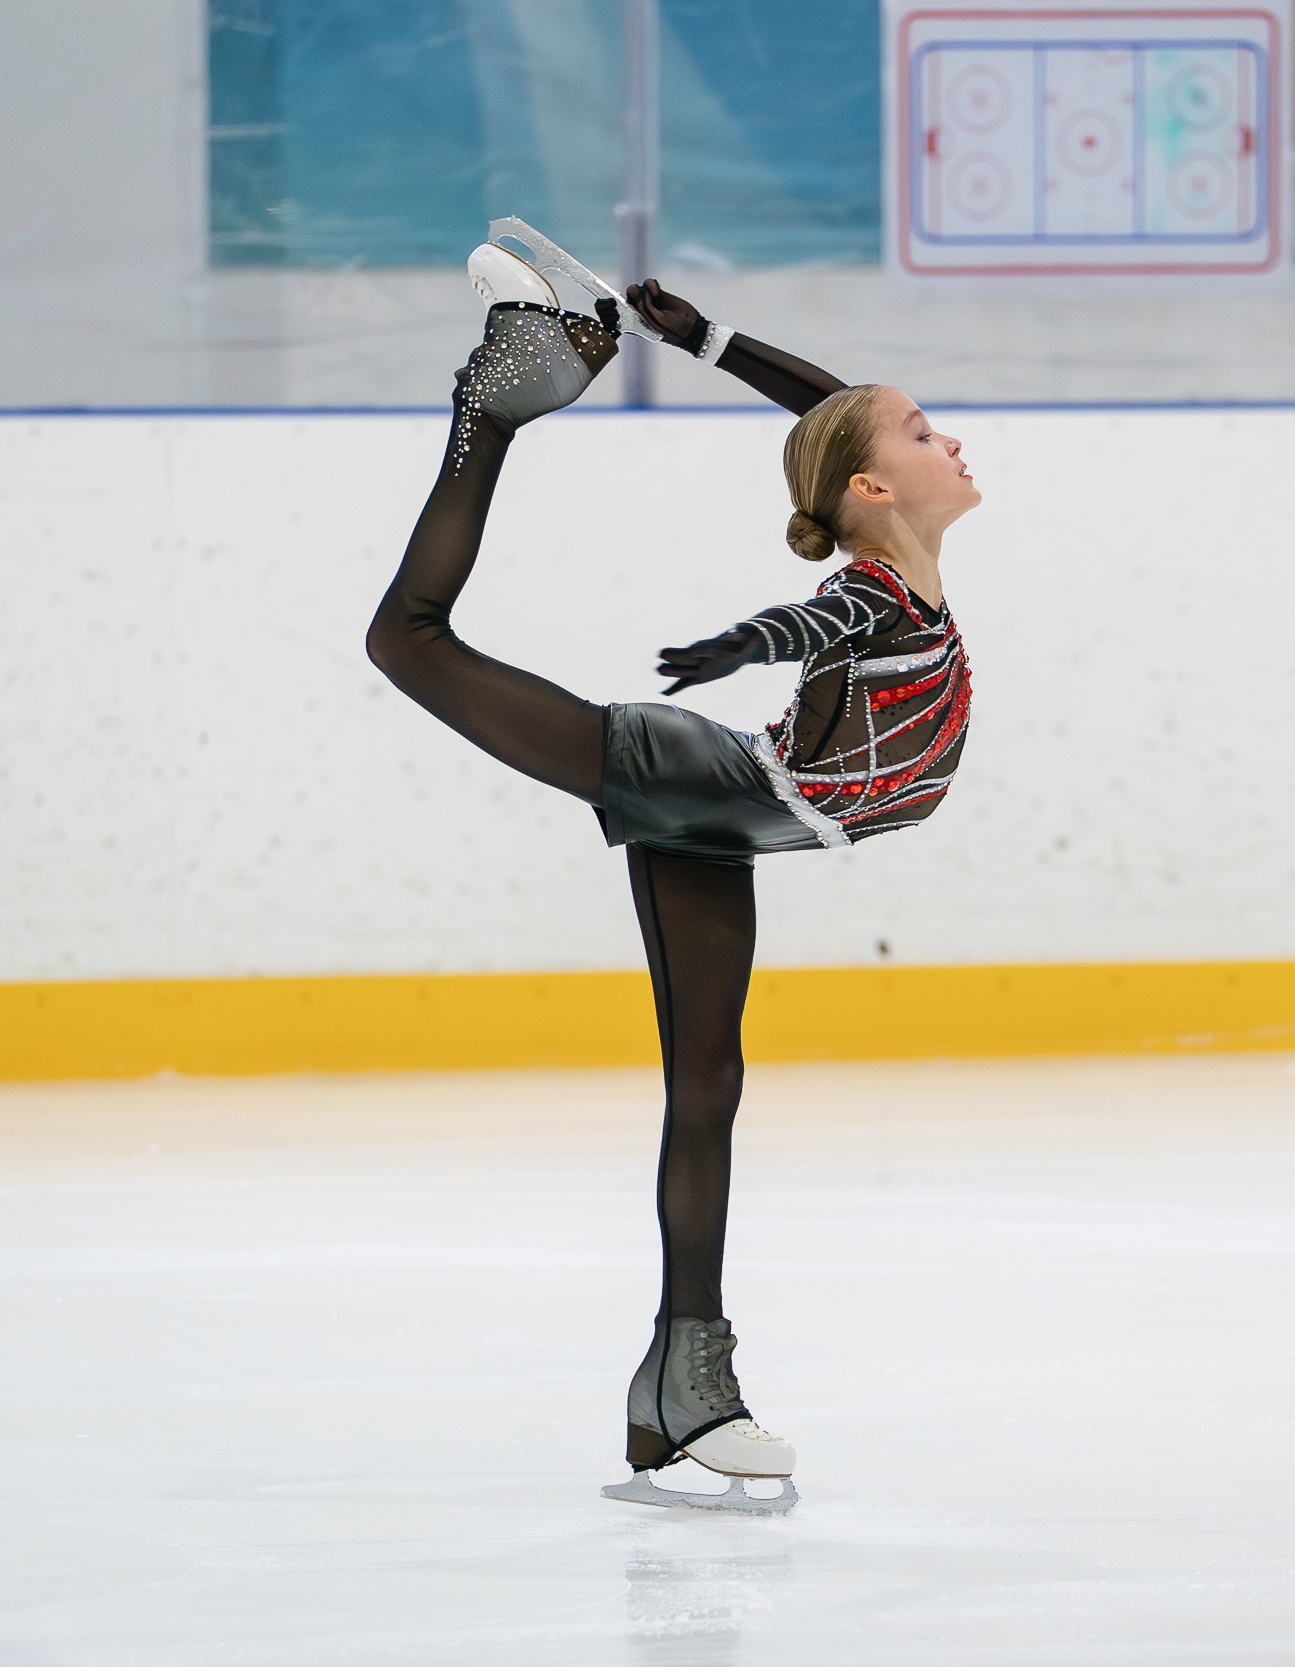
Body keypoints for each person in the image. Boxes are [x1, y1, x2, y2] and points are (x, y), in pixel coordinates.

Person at [365, 267, 980, 1513]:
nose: (950, 437)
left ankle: (680, 1388)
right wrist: (734, 647)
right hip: (702, 775)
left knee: (708, 1081)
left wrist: (709, 341)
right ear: (873, 489)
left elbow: (837, 410)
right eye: (923, 433)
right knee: (409, 641)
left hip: (739, 811)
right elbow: (803, 625)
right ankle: (489, 403)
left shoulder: (899, 548)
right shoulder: (870, 589)